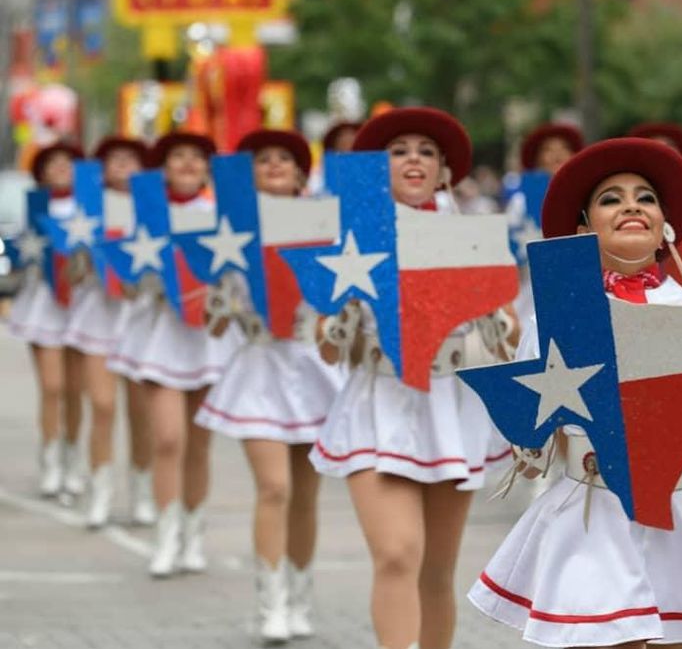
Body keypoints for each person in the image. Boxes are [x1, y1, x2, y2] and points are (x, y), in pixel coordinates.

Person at [469, 137, 682, 648]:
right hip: (592, 512)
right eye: (611, 198)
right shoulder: (554, 315)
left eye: (646, 197)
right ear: (584, 228)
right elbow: (531, 453)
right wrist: (525, 426)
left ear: (665, 229)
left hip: (681, 514)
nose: (631, 204)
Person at [311, 107, 517, 649]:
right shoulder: (355, 234)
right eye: (399, 151)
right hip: (379, 400)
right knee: (398, 553)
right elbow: (326, 343)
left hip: (450, 401)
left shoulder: (470, 233)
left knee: (435, 570)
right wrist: (345, 314)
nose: (413, 161)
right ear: (381, 167)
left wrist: (488, 314)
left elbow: (508, 331)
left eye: (426, 151)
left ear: (444, 169)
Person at [194, 129, 344, 642]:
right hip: (258, 366)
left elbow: (340, 300)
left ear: (303, 173)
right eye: (264, 159)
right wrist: (223, 303)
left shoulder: (325, 225)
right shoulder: (233, 229)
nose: (276, 165)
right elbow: (211, 317)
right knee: (273, 488)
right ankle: (270, 603)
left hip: (312, 367)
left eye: (286, 158)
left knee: (305, 495)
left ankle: (300, 596)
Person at [108, 131, 241, 578]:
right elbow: (126, 281)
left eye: (196, 157)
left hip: (207, 339)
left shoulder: (222, 215)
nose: (187, 164)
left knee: (198, 447)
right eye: (177, 156)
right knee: (167, 440)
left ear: (207, 168)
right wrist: (146, 276)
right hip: (161, 334)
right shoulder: (148, 214)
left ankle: (193, 535)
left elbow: (240, 277)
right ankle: (164, 537)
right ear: (163, 167)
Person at [64, 136, 155, 527]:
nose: (123, 165)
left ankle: (142, 490)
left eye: (131, 158)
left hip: (139, 319)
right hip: (98, 317)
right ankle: (100, 490)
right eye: (115, 159)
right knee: (102, 407)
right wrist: (81, 254)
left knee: (142, 414)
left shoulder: (154, 209)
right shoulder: (86, 209)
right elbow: (70, 274)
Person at [7, 141, 87, 499]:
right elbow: (19, 249)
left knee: (75, 390)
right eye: (53, 162)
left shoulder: (90, 205)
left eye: (67, 162)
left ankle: (72, 458)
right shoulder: (35, 205)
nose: (60, 168)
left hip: (82, 306)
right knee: (52, 387)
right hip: (43, 304)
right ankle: (50, 458)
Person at [508, 123, 585, 326]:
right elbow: (510, 249)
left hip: (580, 286)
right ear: (537, 158)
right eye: (548, 149)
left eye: (563, 148)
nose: (556, 155)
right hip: (532, 288)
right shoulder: (521, 199)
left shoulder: (588, 196)